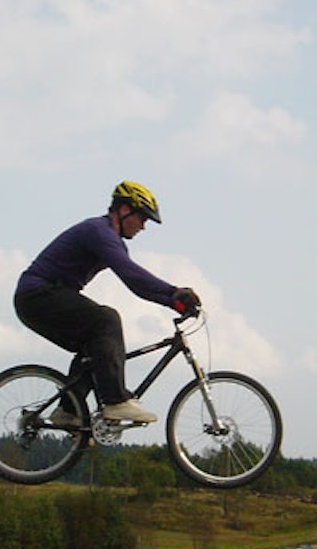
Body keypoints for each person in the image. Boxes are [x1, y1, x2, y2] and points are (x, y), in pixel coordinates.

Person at [14, 181, 200, 424]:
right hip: (38, 294)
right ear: (124, 210)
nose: (143, 227)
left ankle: (68, 412)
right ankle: (115, 401)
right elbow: (132, 276)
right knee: (106, 319)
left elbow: (138, 286)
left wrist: (173, 301)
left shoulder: (108, 237)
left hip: (41, 298)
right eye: (142, 218)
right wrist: (174, 292)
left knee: (95, 349)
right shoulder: (99, 232)